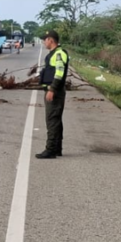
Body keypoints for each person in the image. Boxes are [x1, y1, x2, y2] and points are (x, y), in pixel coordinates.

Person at [36, 30, 70, 159]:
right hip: (53, 90)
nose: (44, 42)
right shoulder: (54, 54)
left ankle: (50, 150)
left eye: (45, 39)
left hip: (55, 92)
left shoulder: (60, 54)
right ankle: (56, 149)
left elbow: (59, 73)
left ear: (51, 40)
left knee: (52, 121)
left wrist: (52, 89)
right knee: (55, 120)